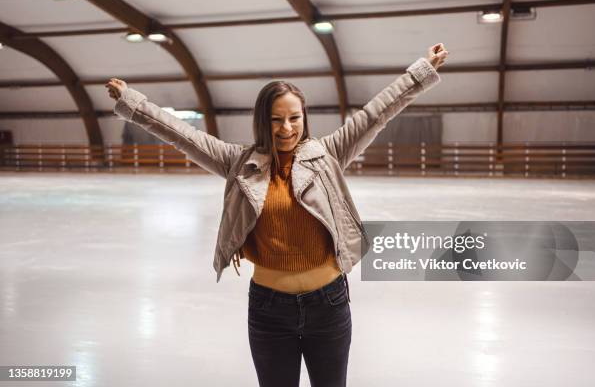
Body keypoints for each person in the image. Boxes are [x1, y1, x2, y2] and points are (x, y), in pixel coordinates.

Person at [105, 43, 448, 387]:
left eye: (294, 117)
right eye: (276, 119)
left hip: (328, 304)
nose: (286, 128)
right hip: (269, 309)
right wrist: (132, 102)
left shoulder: (328, 155)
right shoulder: (238, 163)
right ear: (262, 120)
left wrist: (421, 72)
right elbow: (183, 135)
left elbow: (377, 113)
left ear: (304, 117)